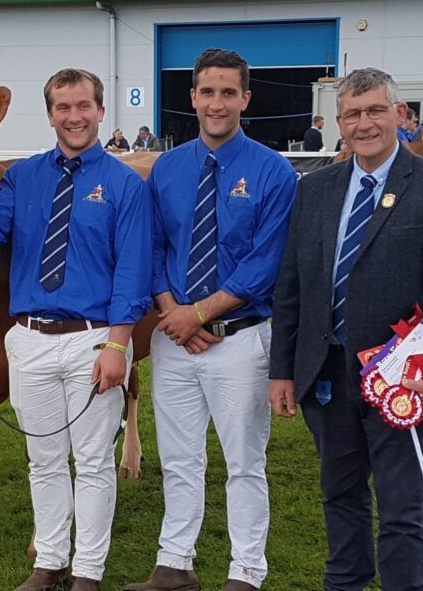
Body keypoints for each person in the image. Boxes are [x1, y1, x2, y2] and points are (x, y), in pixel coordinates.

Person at [0, 68, 152, 591]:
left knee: (93, 464)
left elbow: (133, 272)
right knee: (44, 461)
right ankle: (49, 563)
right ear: (50, 114)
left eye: (83, 106)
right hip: (28, 338)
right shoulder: (23, 177)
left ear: (100, 112)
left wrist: (119, 344)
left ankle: (88, 573)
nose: (73, 117)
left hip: (91, 337)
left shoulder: (122, 183)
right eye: (62, 108)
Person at [268, 67, 423, 591]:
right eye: (353, 114)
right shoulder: (314, 189)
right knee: (340, 496)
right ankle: (345, 583)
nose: (364, 124)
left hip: (400, 379)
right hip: (325, 371)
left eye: (375, 111)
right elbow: (292, 286)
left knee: (401, 506)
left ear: (400, 116)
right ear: (339, 122)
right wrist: (282, 370)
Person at [125, 48, 297, 591]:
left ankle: (246, 571)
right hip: (175, 339)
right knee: (178, 460)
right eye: (207, 92)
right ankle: (175, 564)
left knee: (245, 463)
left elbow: (265, 265)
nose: (216, 103)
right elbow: (151, 248)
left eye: (228, 92)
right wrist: (172, 313)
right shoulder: (167, 168)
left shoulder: (274, 172)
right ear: (192, 97)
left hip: (242, 342)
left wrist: (194, 314)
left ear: (245, 98)